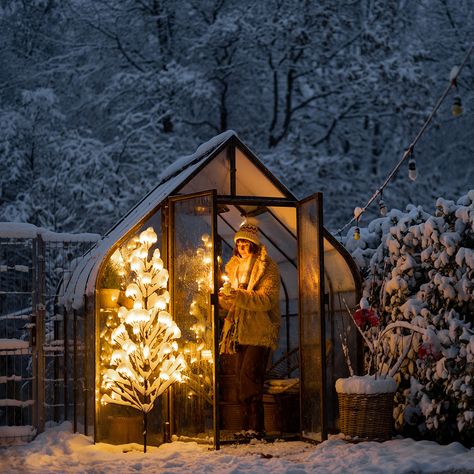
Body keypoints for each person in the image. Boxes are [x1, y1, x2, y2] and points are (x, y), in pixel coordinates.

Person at [219, 218, 280, 439]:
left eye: (246, 243)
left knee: (250, 377)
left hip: (259, 331)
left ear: (254, 244)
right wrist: (226, 299)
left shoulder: (267, 267)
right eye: (239, 243)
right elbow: (233, 304)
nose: (242, 247)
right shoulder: (233, 267)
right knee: (240, 379)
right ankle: (247, 427)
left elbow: (266, 300)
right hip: (238, 331)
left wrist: (240, 296)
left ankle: (256, 428)